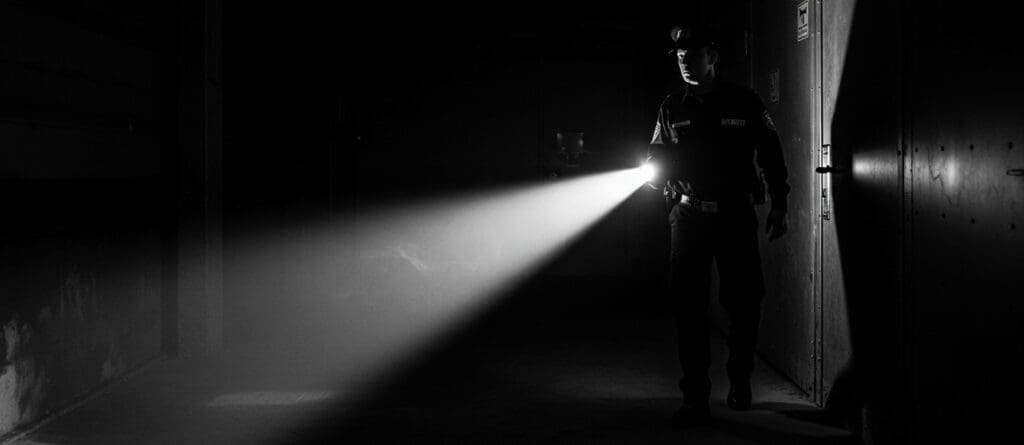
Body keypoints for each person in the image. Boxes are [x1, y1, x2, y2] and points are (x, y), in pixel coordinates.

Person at [647, 25, 790, 427]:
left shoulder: (744, 102)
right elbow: (655, 154)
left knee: (744, 303)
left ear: (712, 57)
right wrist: (655, 173)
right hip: (688, 216)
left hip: (734, 217)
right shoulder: (672, 107)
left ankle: (739, 381)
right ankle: (695, 397)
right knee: (688, 307)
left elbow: (771, 152)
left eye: (692, 57)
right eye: (680, 58)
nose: (685, 64)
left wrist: (780, 203)